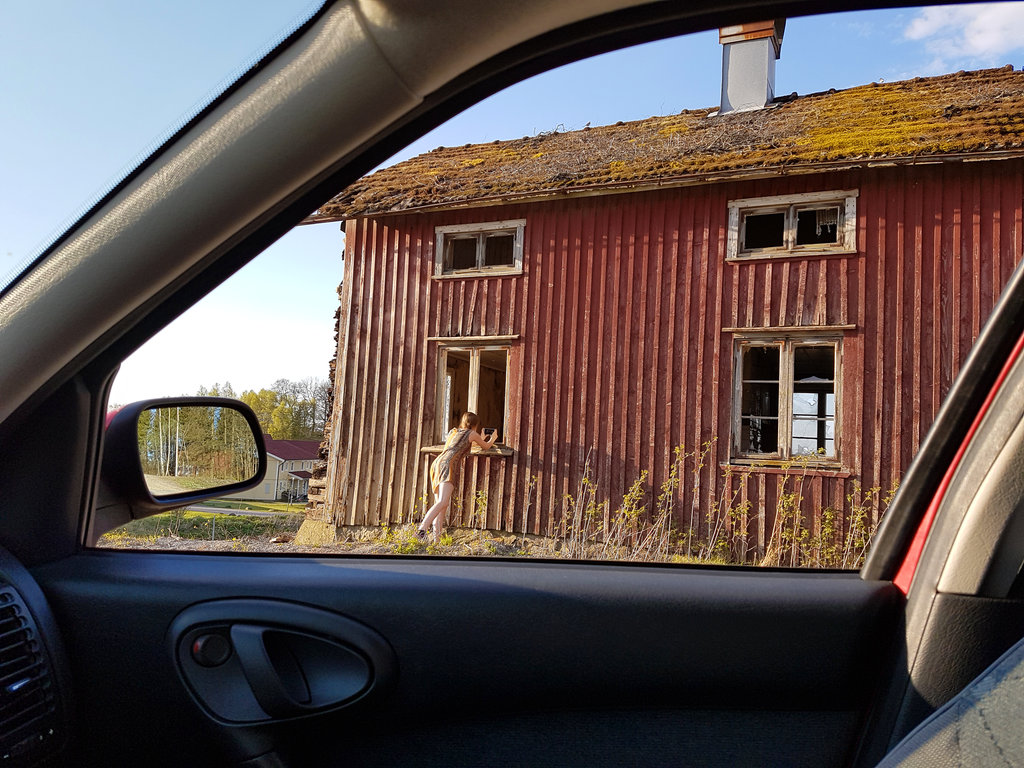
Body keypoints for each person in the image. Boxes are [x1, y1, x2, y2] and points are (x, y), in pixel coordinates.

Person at [418, 411, 497, 542]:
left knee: (441, 505)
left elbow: (466, 444)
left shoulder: (453, 432)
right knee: (442, 502)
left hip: (437, 464)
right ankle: (421, 530)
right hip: (448, 465)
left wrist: (480, 437)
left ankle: (436, 542)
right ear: (475, 424)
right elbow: (486, 446)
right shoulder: (472, 434)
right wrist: (493, 437)